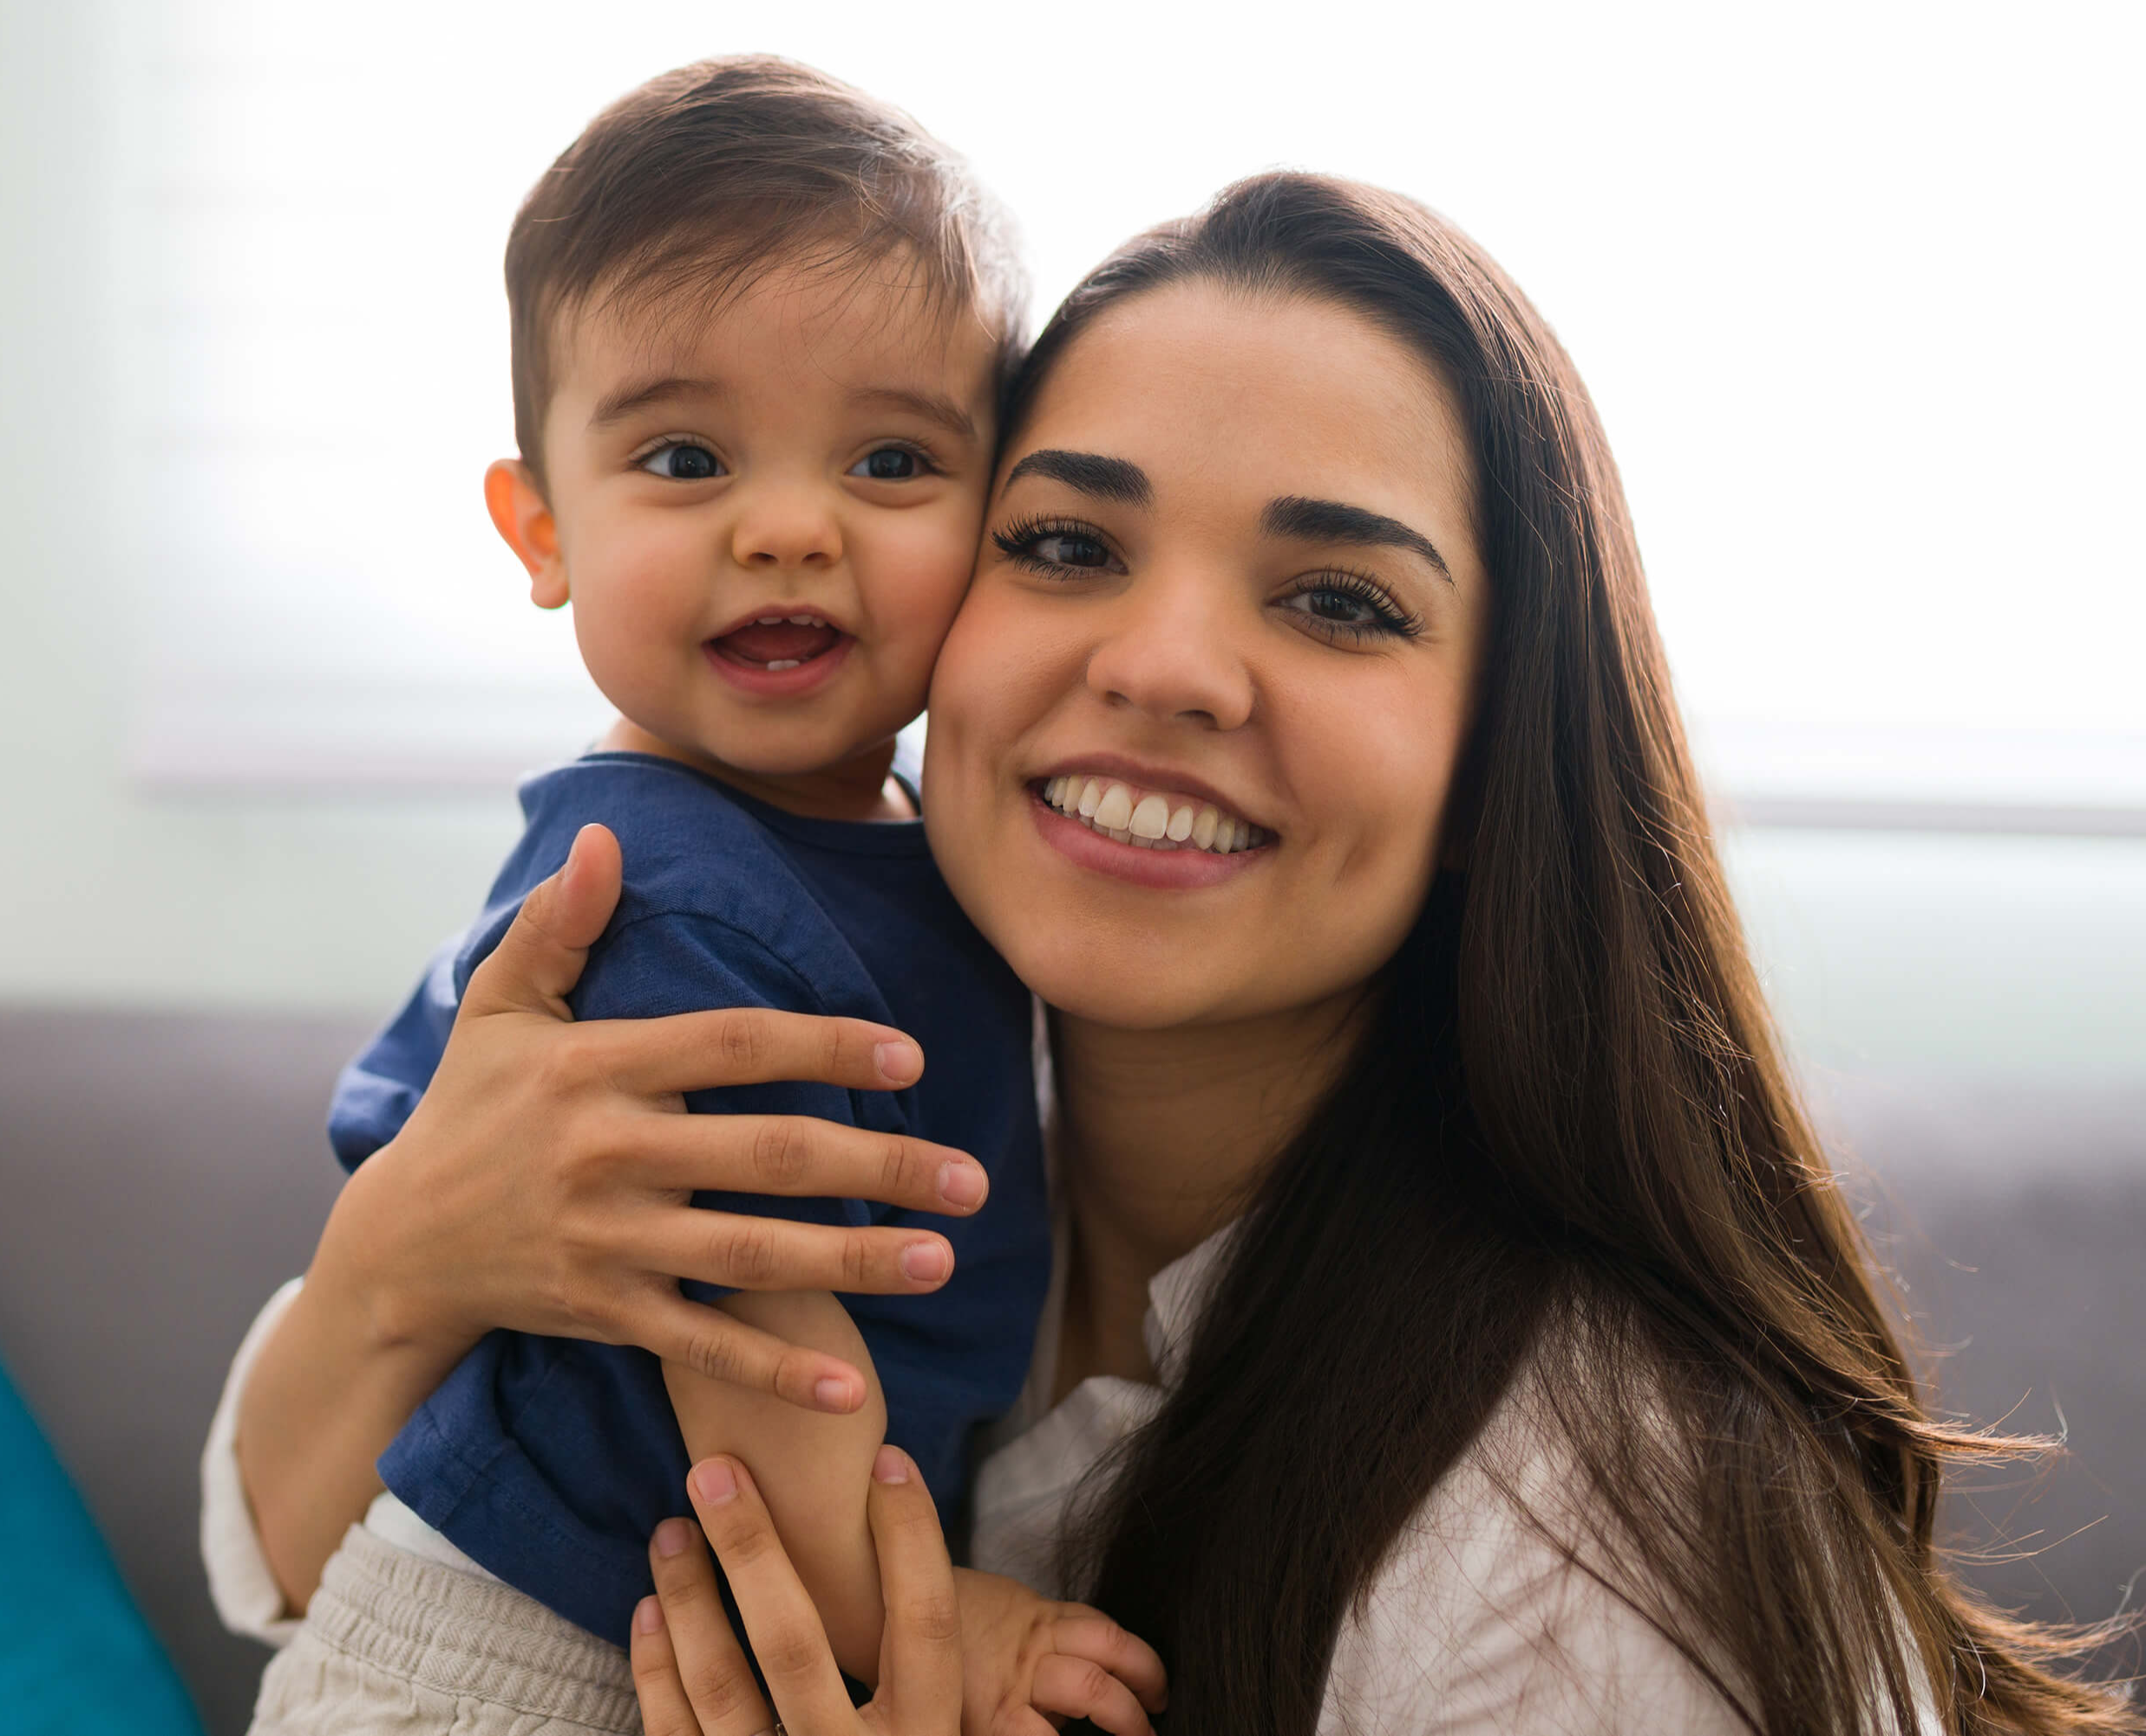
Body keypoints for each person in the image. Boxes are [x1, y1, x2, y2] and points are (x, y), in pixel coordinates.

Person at [211, 173, 2143, 1735]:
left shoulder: (1580, 1553)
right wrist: (399, 1262)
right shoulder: (782, 1049)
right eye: (1064, 546)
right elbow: (296, 1558)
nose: (1156, 665)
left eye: (1333, 598)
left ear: (1499, 747)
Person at [231, 52, 1165, 1733]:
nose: (791, 527)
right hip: (520, 1654)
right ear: (541, 532)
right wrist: (934, 1618)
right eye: (682, 457)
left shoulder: (870, 839)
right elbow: (759, 1347)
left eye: (888, 463)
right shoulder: (678, 907)